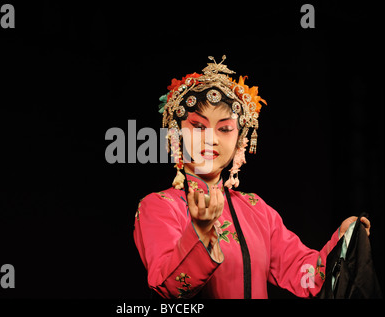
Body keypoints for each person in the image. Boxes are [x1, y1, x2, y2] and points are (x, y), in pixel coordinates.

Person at [133, 56, 371, 299]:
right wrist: (200, 231)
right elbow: (170, 288)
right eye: (199, 126)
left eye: (224, 129)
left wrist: (343, 241)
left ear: (239, 140)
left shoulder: (255, 209)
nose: (211, 139)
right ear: (176, 134)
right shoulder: (159, 207)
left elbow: (304, 274)